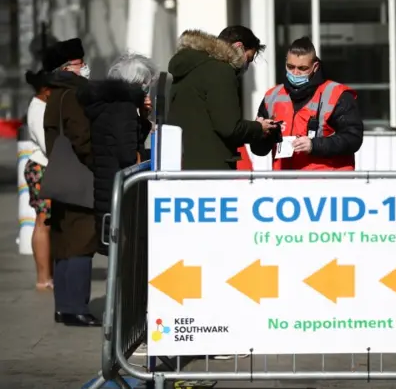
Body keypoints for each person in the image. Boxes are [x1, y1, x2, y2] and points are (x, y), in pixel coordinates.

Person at [41, 38, 100, 327]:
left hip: (60, 174)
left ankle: (63, 306)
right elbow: (82, 137)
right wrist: (98, 162)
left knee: (64, 243)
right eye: (80, 64)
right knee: (82, 240)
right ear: (69, 67)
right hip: (80, 176)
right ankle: (76, 307)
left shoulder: (55, 94)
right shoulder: (76, 94)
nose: (84, 68)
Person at [167, 25, 278, 170]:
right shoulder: (221, 71)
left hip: (183, 162)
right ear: (239, 47)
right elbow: (229, 127)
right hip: (212, 167)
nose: (247, 66)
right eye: (249, 59)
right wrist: (259, 127)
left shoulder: (192, 67)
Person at [78, 53, 157, 254]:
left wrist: (143, 117)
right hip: (120, 188)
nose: (147, 90)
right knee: (127, 252)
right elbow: (127, 153)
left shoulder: (109, 105)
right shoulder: (124, 108)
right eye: (145, 85)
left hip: (107, 183)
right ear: (136, 83)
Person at [250, 37, 364, 170]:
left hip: (327, 184)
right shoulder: (272, 97)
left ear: (315, 67)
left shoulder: (337, 95)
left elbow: (353, 138)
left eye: (302, 68)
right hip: (285, 184)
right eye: (290, 67)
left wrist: (314, 145)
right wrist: (260, 134)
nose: (295, 73)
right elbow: (259, 150)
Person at [24, 69, 53, 291]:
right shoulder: (38, 110)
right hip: (41, 167)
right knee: (43, 220)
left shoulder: (43, 106)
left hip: (44, 166)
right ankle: (43, 277)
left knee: (45, 221)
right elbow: (47, 145)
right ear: (44, 90)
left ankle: (46, 274)